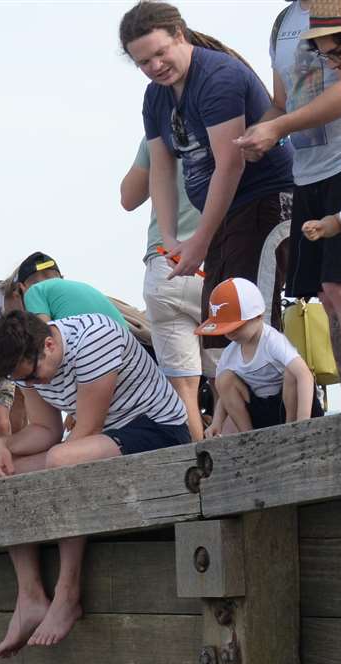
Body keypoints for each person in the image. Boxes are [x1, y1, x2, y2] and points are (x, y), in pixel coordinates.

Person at [0, 310, 192, 657]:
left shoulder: (94, 340)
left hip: (157, 430)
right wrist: (2, 446)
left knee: (61, 460)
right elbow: (46, 431)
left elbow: (85, 431)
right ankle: (30, 595)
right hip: (105, 438)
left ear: (49, 345)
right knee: (2, 474)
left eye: (33, 376)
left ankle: (68, 595)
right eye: (25, 381)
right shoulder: (28, 366)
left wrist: (43, 459)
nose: (34, 385)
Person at [122, 2, 295, 352]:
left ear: (179, 36)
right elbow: (162, 168)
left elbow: (230, 164)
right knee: (218, 319)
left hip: (264, 201)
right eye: (143, 62)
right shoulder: (156, 97)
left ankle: (277, 403)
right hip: (226, 216)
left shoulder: (218, 77)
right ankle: (229, 403)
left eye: (160, 53)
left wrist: (200, 241)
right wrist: (169, 238)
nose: (154, 67)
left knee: (247, 313)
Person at [237, 0, 341, 406]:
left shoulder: (339, 7)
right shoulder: (284, 21)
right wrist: (260, 133)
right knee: (327, 295)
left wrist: (278, 128)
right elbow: (283, 103)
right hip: (308, 173)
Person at [122, 139, 212, 440]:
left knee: (184, 387)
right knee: (229, 376)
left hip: (167, 261)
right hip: (217, 258)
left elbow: (128, 197)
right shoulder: (226, 116)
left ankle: (200, 464)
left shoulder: (159, 132)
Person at [200, 277, 321, 433]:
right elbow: (224, 395)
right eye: (226, 329)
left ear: (258, 317)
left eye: (237, 327)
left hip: (291, 405)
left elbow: (304, 375)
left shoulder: (272, 340)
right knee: (224, 379)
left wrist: (304, 420)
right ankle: (249, 435)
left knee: (293, 371)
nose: (231, 333)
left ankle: (292, 428)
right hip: (260, 410)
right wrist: (216, 423)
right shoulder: (230, 353)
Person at [3, 253, 131, 327]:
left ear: (21, 288)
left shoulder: (35, 291)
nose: (43, 284)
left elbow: (44, 340)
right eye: (36, 281)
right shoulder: (83, 287)